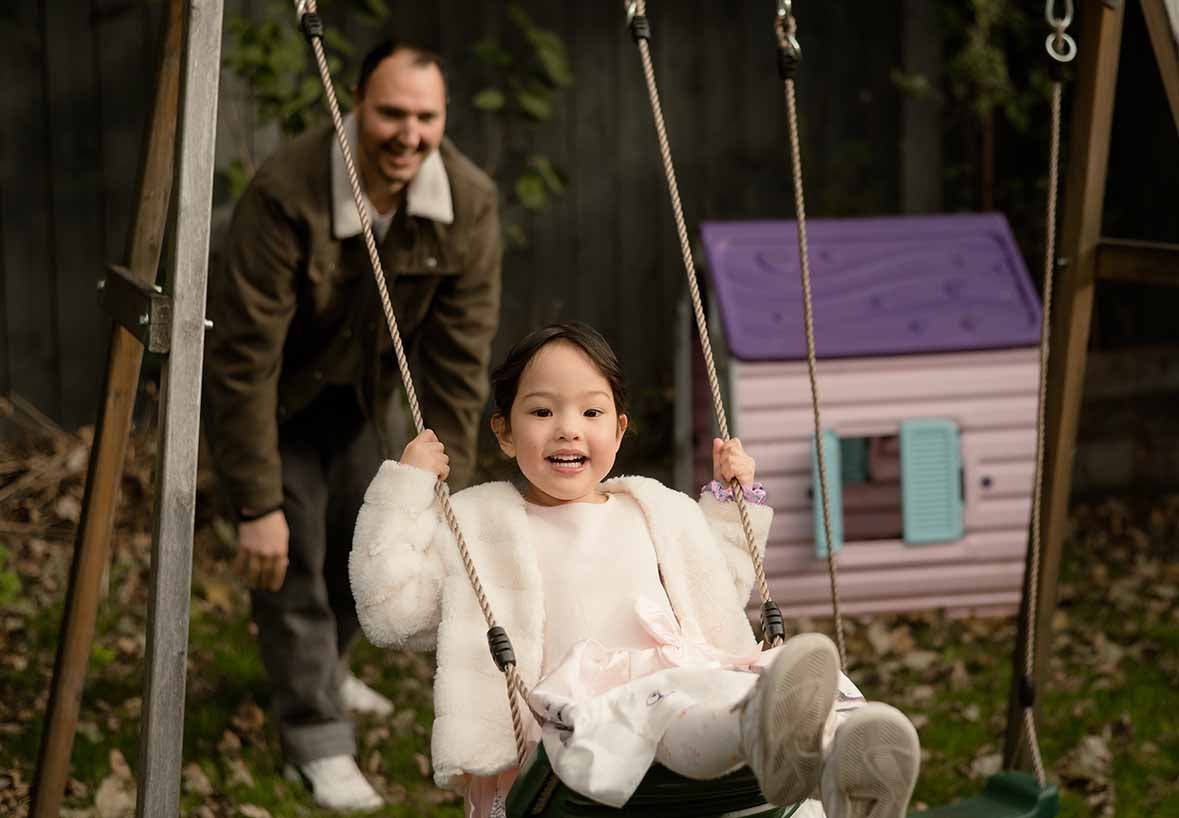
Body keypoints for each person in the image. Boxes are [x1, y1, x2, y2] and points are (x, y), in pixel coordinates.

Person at [350, 323, 920, 818]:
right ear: (503, 431)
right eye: (542, 411)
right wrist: (407, 486)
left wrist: (732, 502)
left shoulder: (654, 507)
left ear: (619, 431)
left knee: (734, 684)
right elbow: (391, 611)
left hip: (684, 680)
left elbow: (717, 587)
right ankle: (759, 734)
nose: (569, 428)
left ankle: (844, 760)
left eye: (591, 412)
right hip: (568, 732)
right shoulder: (477, 526)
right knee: (664, 709)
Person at [203, 38, 501, 811]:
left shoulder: (465, 204)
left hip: (366, 401)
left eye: (425, 117)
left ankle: (327, 670)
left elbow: (459, 367)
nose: (408, 134)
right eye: (390, 113)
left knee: (362, 549)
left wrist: (445, 492)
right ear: (354, 110)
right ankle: (315, 736)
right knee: (293, 555)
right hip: (276, 400)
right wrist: (255, 503)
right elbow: (242, 359)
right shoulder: (286, 192)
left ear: (444, 120)